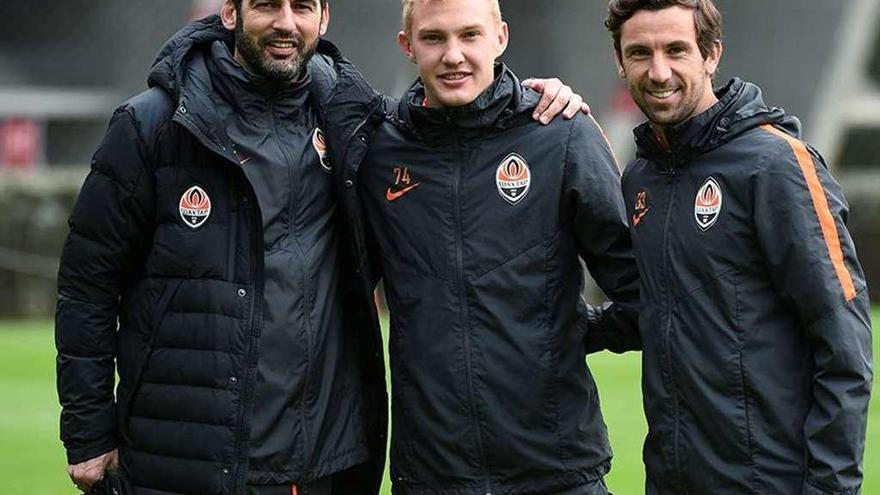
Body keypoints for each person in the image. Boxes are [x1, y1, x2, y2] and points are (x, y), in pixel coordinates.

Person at [55, 1, 587, 494]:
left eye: (303, 6)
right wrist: (87, 430)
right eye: (266, 4)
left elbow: (451, 129)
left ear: (324, 18)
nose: (285, 21)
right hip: (186, 458)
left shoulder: (355, 121)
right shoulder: (152, 124)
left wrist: (527, 102)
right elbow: (87, 284)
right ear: (230, 13)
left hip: (326, 464)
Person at [325, 0, 641, 493]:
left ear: (501, 38)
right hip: (431, 475)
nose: (454, 55)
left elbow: (643, 288)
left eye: (470, 35)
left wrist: (581, 329)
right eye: (434, 38)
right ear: (407, 46)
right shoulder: (378, 152)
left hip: (556, 473)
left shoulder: (560, 134)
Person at [605, 1, 874, 493]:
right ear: (620, 63)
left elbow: (844, 345)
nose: (658, 70)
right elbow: (659, 306)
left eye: (676, 50)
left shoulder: (775, 164)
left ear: (711, 54)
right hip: (672, 479)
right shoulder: (642, 174)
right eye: (640, 53)